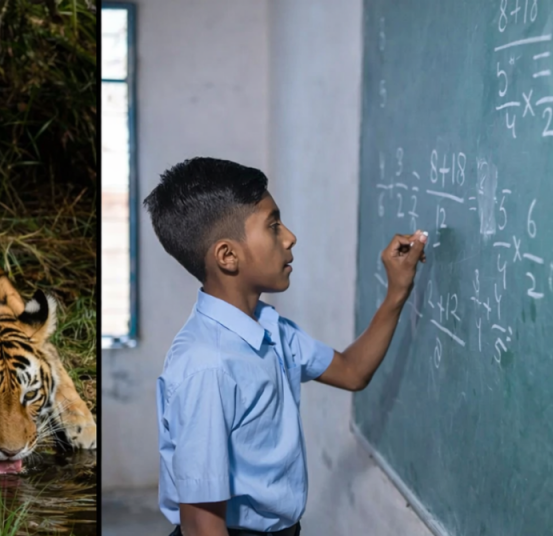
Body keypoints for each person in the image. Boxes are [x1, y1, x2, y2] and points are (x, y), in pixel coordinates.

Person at [144, 157, 427, 536]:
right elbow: (201, 525)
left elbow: (351, 370)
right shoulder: (206, 366)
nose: (289, 237)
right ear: (228, 256)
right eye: (273, 226)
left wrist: (397, 291)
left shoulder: (269, 327)